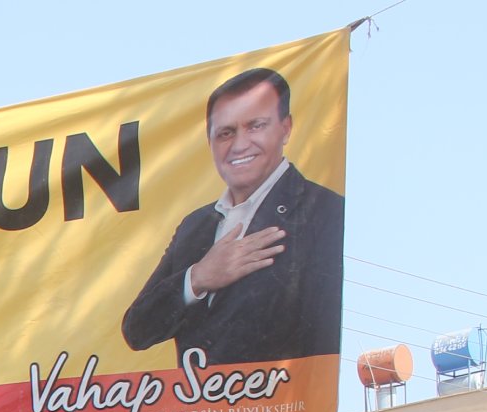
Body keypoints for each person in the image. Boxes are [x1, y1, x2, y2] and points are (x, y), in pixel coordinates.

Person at [121, 67, 344, 368]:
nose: (239, 145)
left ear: (286, 128)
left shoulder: (323, 211)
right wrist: (198, 278)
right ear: (209, 141)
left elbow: (322, 337)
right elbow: (138, 329)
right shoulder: (196, 225)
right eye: (225, 133)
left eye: (255, 126)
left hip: (279, 409)